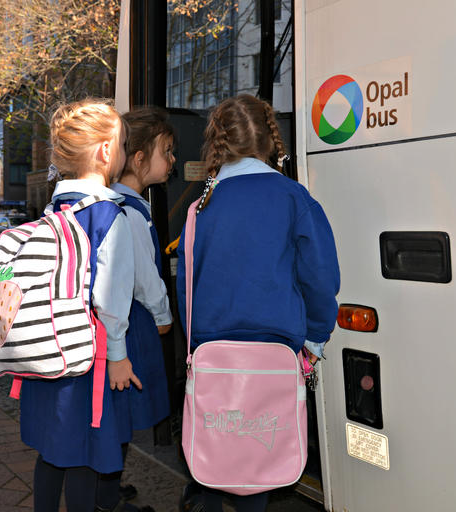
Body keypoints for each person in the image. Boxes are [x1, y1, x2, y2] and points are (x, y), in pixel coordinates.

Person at [176, 94, 340, 512]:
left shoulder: (199, 208)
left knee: (215, 457)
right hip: (276, 352)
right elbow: (320, 278)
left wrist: (195, 342)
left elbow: (185, 288)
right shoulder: (293, 198)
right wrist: (316, 339)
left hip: (214, 352)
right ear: (271, 141)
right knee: (261, 462)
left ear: (219, 143)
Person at [18, 98, 139, 512]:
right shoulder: (109, 216)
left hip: (46, 350)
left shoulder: (53, 209)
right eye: (122, 143)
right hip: (87, 361)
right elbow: (111, 298)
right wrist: (120, 357)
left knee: (51, 455)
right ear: (107, 151)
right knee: (86, 458)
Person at [96, 108, 176, 512]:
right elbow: (146, 279)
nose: (173, 161)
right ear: (140, 158)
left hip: (121, 323)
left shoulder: (120, 205)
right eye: (167, 151)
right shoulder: (130, 212)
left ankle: (109, 487)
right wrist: (164, 318)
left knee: (117, 415)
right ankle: (106, 496)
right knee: (120, 415)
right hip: (131, 327)